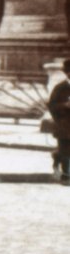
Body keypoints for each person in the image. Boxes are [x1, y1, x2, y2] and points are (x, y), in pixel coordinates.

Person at [47, 57, 70, 185]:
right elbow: (52, 105)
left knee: (66, 150)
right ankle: (66, 175)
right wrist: (65, 106)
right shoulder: (60, 88)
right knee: (66, 149)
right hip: (65, 124)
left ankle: (57, 157)